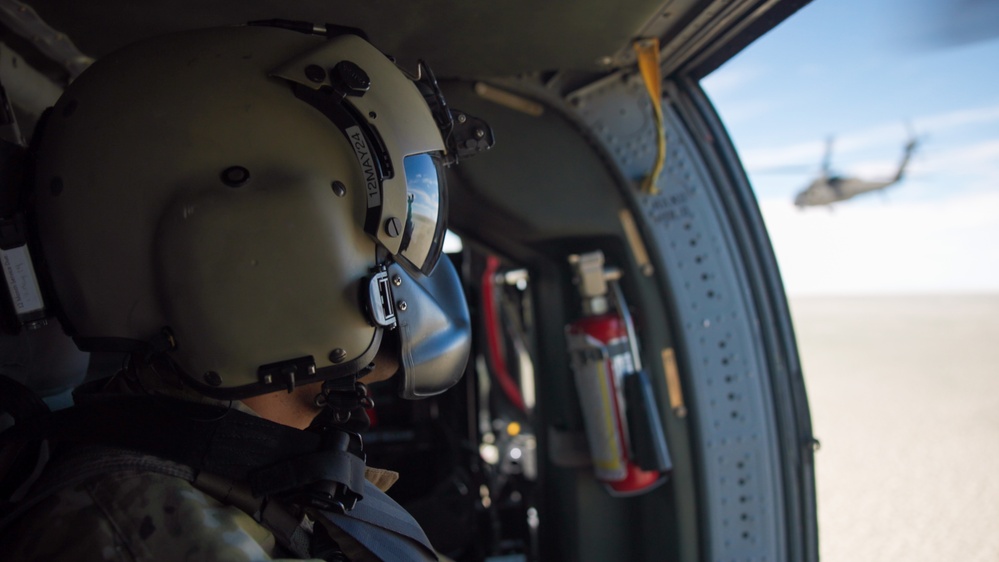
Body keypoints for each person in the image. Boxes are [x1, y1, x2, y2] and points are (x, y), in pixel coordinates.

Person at [0, 20, 489, 561]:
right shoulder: (134, 529)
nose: (402, 269)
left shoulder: (266, 474)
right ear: (268, 247)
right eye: (379, 234)